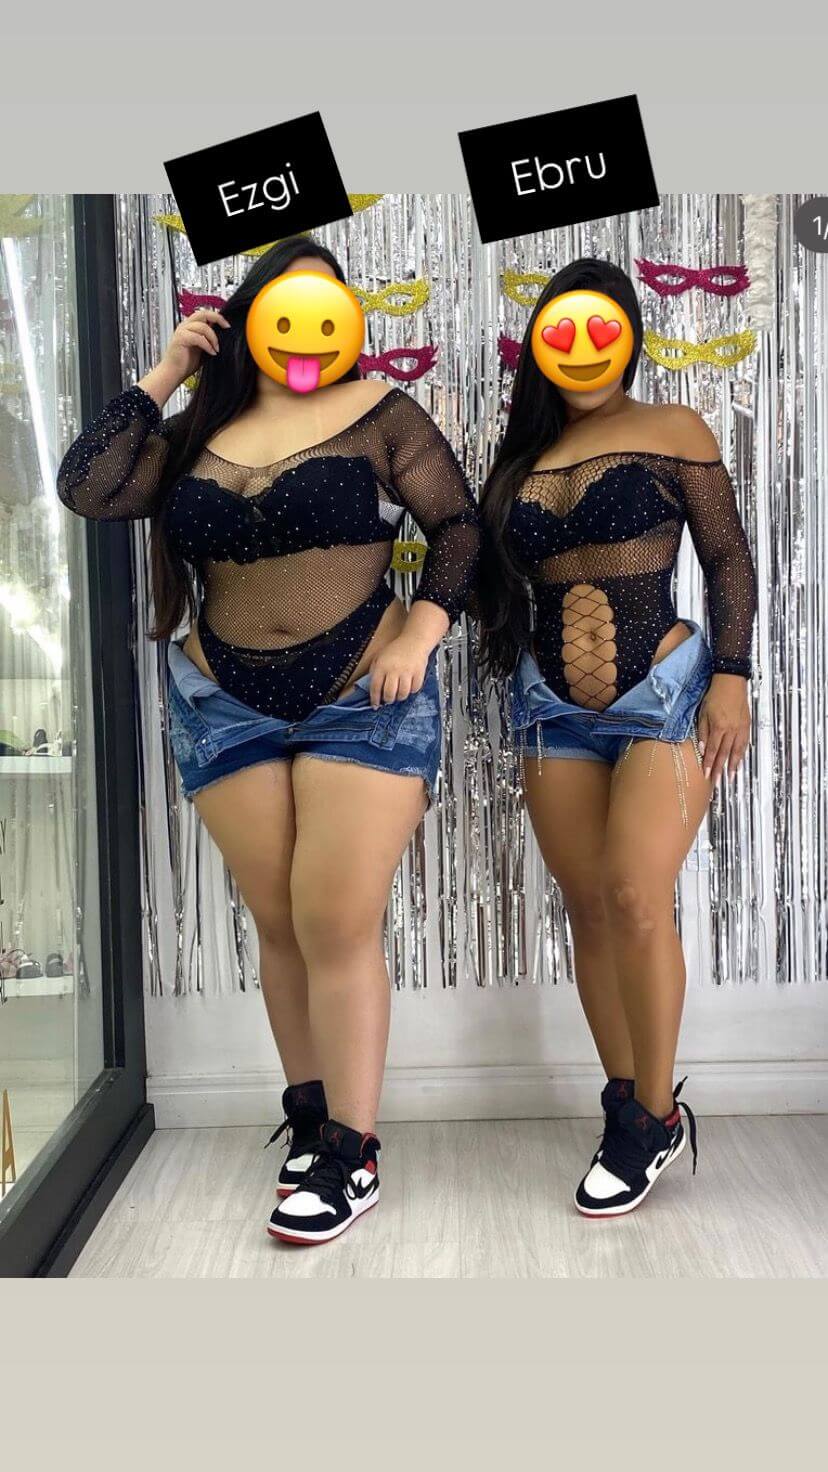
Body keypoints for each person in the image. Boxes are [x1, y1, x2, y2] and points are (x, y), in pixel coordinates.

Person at [57, 236, 481, 1245]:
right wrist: (169, 370)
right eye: (285, 310)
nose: (305, 332)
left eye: (327, 311)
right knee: (282, 923)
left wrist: (420, 634)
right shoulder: (200, 429)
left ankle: (353, 1153)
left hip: (360, 695)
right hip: (223, 701)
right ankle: (312, 1116)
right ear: (249, 319)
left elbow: (460, 529)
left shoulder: (382, 413)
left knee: (335, 922)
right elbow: (89, 486)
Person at [476, 257, 757, 1217]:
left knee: (637, 894)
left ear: (630, 335)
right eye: (563, 331)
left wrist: (732, 676)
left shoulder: (674, 429)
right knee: (591, 909)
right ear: (539, 349)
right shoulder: (522, 458)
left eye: (602, 328)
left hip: (664, 697)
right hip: (550, 706)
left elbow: (728, 558)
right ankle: (626, 1103)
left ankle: (653, 1115)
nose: (585, 347)